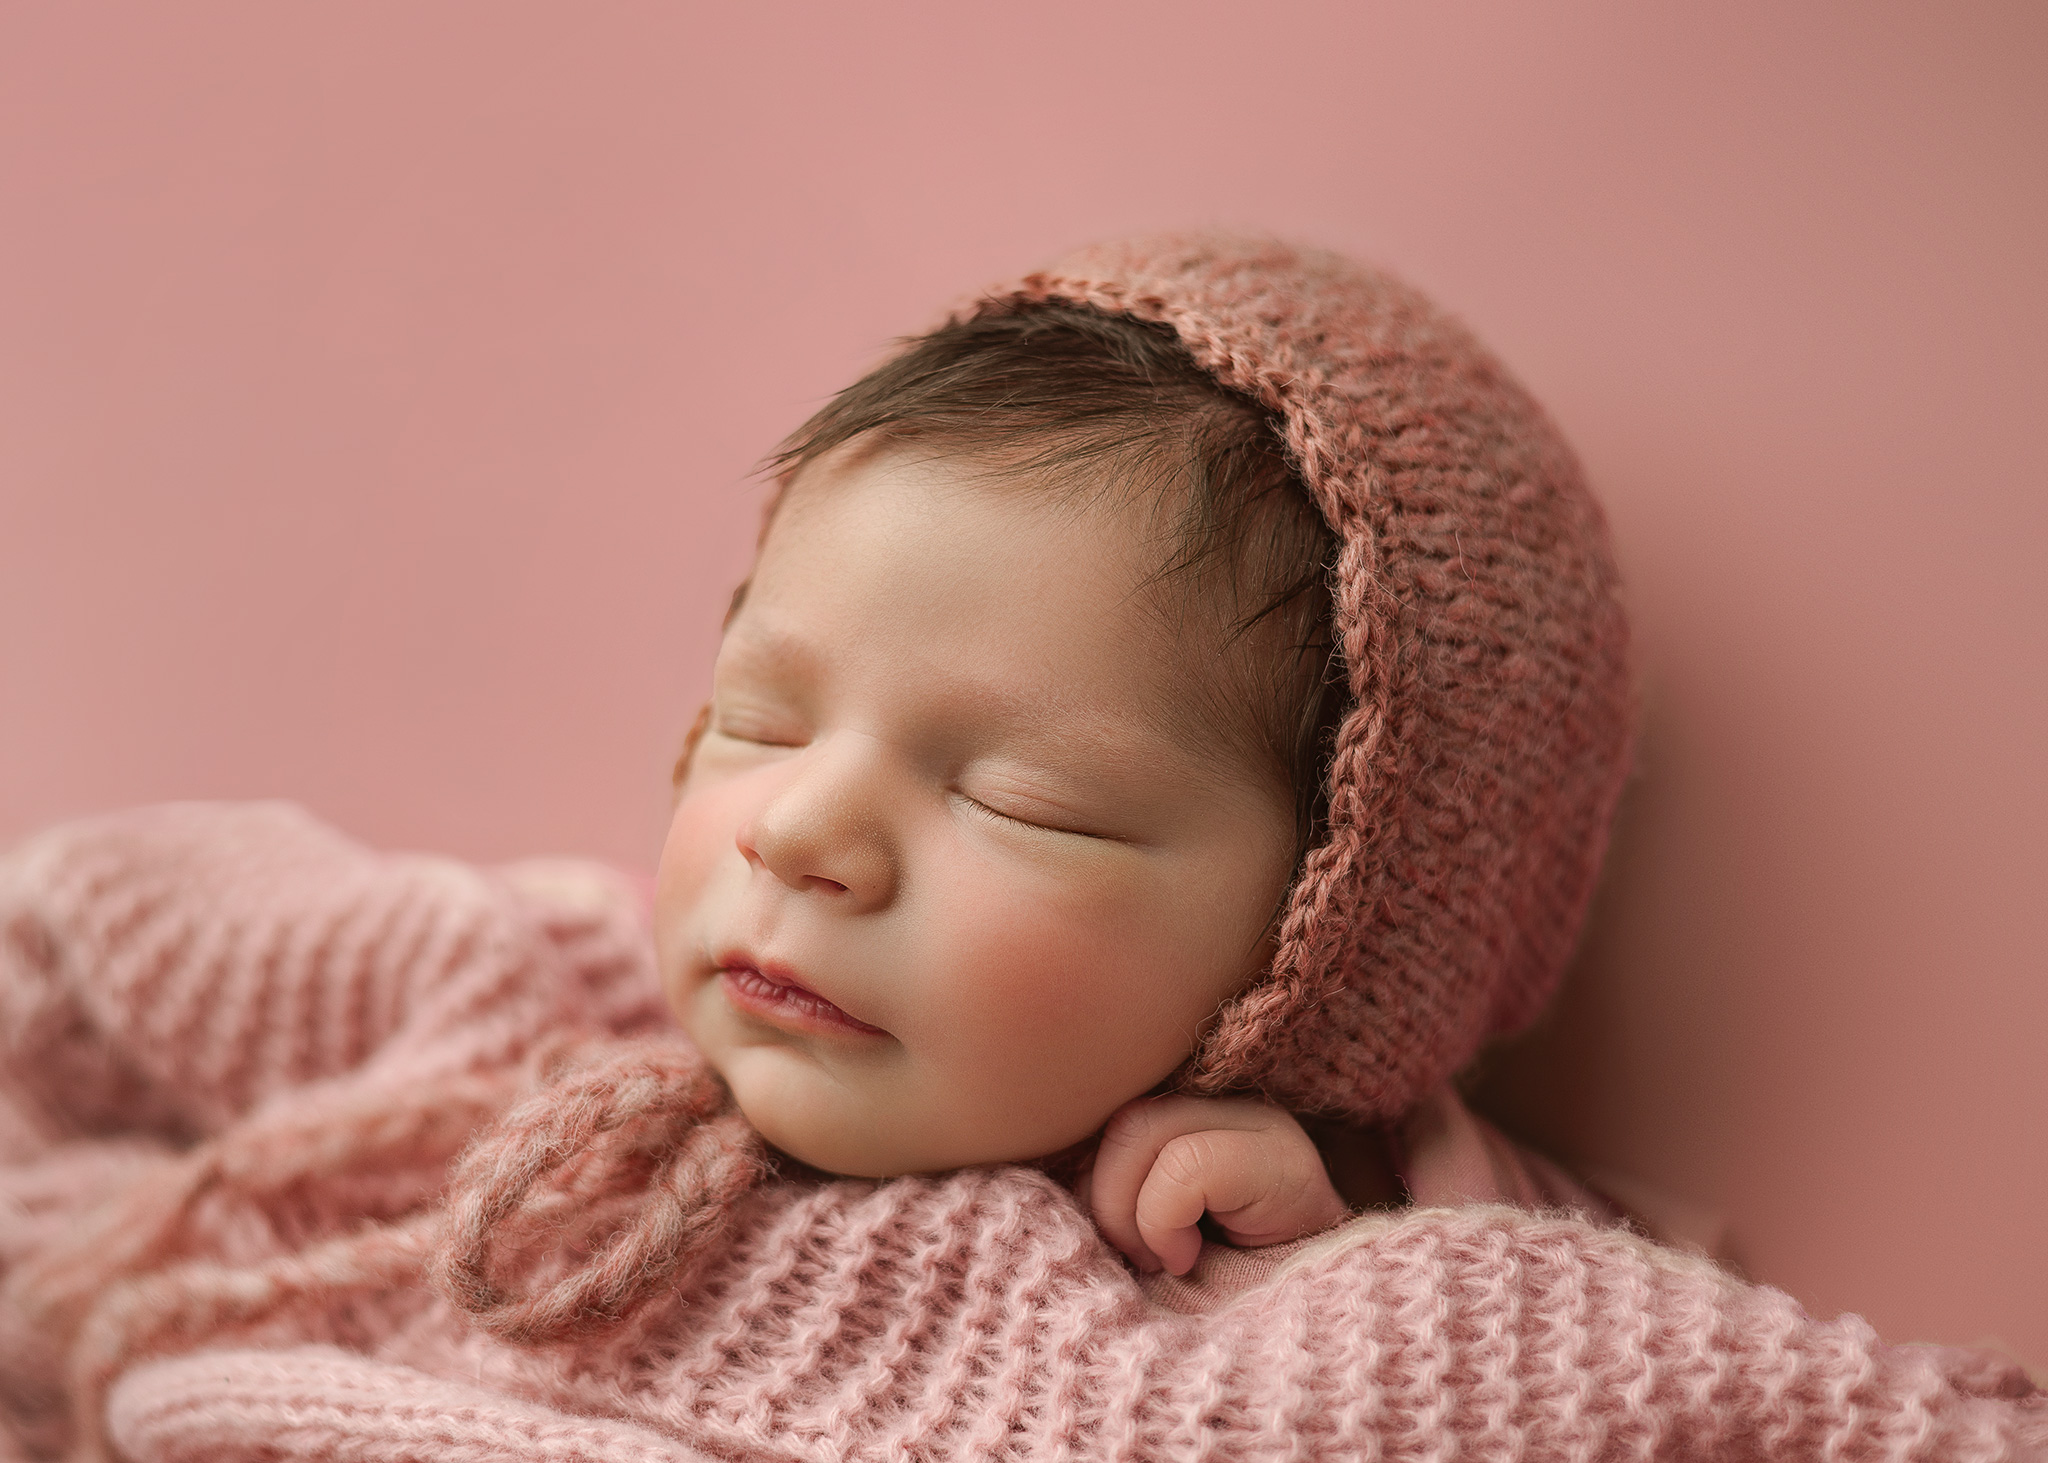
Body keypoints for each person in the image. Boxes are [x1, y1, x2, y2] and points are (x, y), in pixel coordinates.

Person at [1, 235, 2039, 1462]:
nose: (803, 829)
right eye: (760, 716)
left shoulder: (1275, 1286)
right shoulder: (533, 995)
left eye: (1018, 800)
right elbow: (76, 951)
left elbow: (1708, 1377)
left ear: (1313, 966)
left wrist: (1376, 1206)